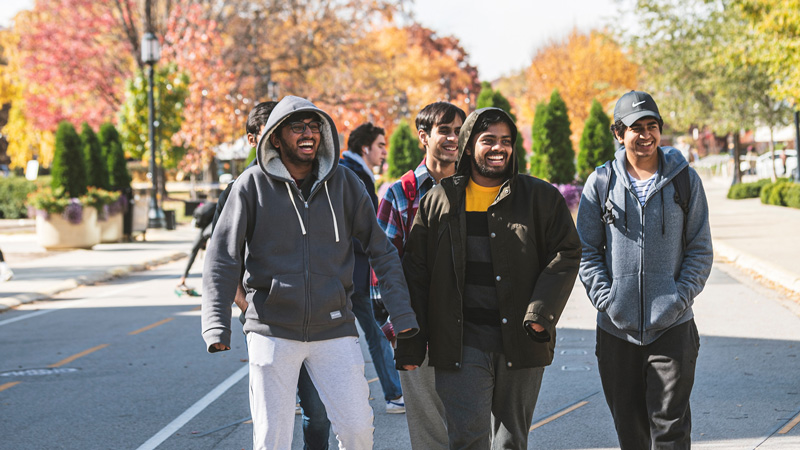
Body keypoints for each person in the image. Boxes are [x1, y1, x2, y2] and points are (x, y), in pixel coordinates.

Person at [202, 95, 418, 450]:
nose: (308, 133)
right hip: (272, 331)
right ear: (275, 137)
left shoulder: (346, 184)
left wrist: (402, 314)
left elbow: (382, 251)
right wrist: (215, 325)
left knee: (358, 431)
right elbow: (222, 257)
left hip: (335, 328)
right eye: (297, 127)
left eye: (314, 126)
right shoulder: (250, 185)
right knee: (272, 439)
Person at [397, 107, 582, 449]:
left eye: (506, 141)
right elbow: (417, 272)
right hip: (461, 343)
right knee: (467, 438)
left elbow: (566, 253)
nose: (499, 148)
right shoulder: (439, 201)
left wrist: (541, 315)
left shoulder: (539, 198)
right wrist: (411, 340)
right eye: (489, 140)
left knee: (511, 441)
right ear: (469, 146)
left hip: (522, 338)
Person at [576, 90, 713, 450]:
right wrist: (607, 301)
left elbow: (700, 249)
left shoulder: (686, 181)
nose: (646, 135)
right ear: (619, 134)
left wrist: (678, 298)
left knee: (670, 430)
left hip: (672, 327)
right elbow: (586, 252)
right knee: (630, 432)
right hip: (616, 330)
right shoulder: (600, 184)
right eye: (636, 127)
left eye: (652, 126)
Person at [212, 100, 332, 449]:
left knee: (318, 411)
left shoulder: (317, 181)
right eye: (271, 130)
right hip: (266, 319)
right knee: (273, 419)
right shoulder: (242, 188)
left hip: (316, 318)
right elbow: (223, 260)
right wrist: (247, 307)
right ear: (257, 138)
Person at [376, 101, 465, 449]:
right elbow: (382, 269)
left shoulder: (478, 189)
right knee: (429, 434)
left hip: (471, 329)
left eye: (459, 131)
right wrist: (397, 329)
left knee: (472, 427)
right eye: (445, 130)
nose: (453, 138)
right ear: (423, 137)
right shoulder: (400, 194)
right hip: (418, 329)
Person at [339, 122, 405, 413]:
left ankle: (306, 397)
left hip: (350, 268)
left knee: (332, 337)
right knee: (374, 333)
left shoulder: (350, 172)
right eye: (380, 145)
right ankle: (393, 393)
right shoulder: (351, 175)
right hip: (353, 270)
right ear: (365, 147)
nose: (384, 151)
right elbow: (352, 228)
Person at [175, 201, 216, 296]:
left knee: (196, 252)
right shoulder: (208, 230)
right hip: (210, 230)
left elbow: (193, 252)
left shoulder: (204, 229)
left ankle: (183, 278)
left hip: (208, 229)